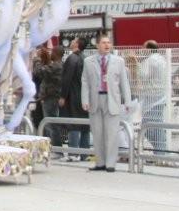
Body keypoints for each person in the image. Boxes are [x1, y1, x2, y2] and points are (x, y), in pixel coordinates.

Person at [81, 33, 132, 172]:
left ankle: (110, 163)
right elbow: (85, 82)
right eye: (103, 42)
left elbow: (124, 83)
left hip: (112, 100)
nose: (107, 45)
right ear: (97, 45)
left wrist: (127, 102)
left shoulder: (118, 61)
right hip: (95, 99)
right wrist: (85, 100)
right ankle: (100, 162)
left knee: (112, 133)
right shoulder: (88, 61)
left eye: (108, 42)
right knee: (97, 133)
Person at [59, 38, 90, 158]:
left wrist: (62, 96)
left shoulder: (71, 59)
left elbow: (66, 79)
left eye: (74, 40)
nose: (71, 41)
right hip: (84, 96)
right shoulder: (85, 58)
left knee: (73, 124)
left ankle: (73, 153)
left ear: (77, 44)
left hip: (73, 95)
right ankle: (85, 154)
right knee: (85, 126)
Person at [139, 40, 168, 154]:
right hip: (160, 96)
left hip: (152, 98)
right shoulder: (162, 59)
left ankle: (161, 152)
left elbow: (143, 76)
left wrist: (135, 63)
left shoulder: (150, 60)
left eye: (143, 48)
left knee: (147, 127)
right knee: (156, 126)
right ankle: (160, 151)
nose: (141, 50)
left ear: (149, 49)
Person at [37, 46, 64, 147]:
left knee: (51, 124)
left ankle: (57, 148)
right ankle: (53, 147)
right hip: (50, 97)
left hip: (51, 98)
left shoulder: (56, 66)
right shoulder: (56, 65)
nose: (50, 54)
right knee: (50, 124)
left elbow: (39, 71)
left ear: (56, 53)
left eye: (52, 52)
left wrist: (37, 59)